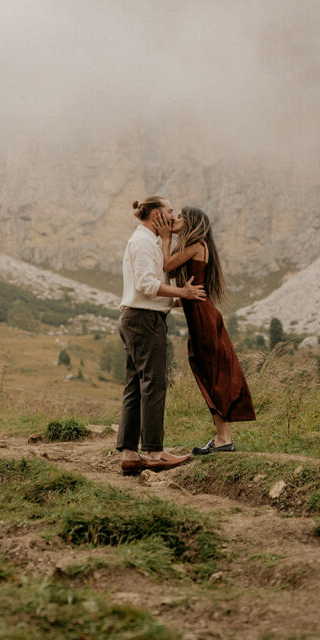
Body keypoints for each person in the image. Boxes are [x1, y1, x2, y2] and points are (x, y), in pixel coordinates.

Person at [117, 195, 206, 474]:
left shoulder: (146, 241)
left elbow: (148, 288)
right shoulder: (143, 242)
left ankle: (130, 453)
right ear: (155, 214)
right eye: (169, 211)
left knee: (135, 385)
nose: (172, 216)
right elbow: (146, 285)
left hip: (138, 316)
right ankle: (154, 453)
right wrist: (182, 292)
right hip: (144, 320)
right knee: (153, 384)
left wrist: (181, 300)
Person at [161, 206, 255, 453]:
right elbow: (188, 288)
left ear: (191, 221)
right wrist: (176, 298)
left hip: (204, 320)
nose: (175, 219)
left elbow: (166, 265)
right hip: (202, 318)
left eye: (180, 216)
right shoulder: (196, 247)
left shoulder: (197, 245)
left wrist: (166, 238)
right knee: (208, 374)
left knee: (211, 375)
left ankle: (224, 439)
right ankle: (223, 437)